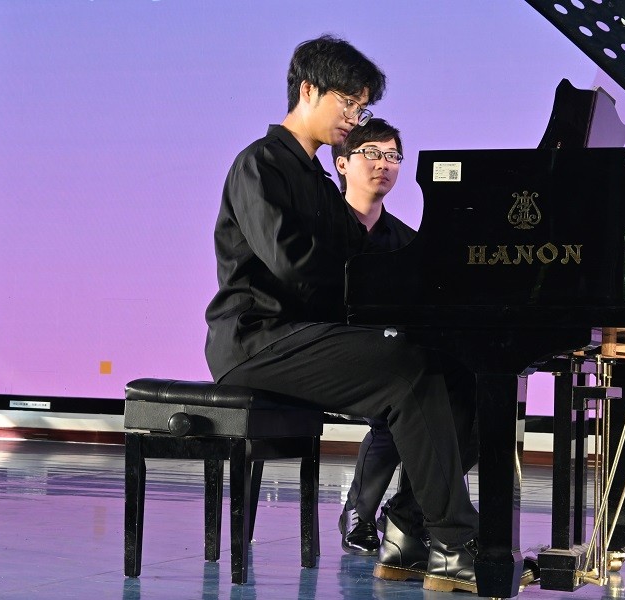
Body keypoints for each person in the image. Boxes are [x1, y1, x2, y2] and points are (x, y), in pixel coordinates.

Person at [204, 35, 483, 592]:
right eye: (349, 104)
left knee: (464, 374)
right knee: (408, 369)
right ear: (308, 90)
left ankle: (407, 532)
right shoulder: (259, 164)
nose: (355, 118)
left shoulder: (317, 180)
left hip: (305, 335)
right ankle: (455, 545)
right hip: (257, 341)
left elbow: (364, 260)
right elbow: (294, 264)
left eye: (362, 107)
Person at [330, 118, 413, 556]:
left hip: (381, 353)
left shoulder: (407, 242)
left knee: (455, 400)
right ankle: (363, 512)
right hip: (324, 350)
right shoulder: (322, 225)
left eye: (393, 156)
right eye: (372, 154)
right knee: (402, 397)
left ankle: (403, 513)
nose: (384, 164)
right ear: (342, 163)